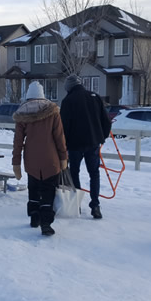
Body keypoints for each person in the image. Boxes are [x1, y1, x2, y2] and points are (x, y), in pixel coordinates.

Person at [12, 81, 68, 236]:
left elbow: (18, 142)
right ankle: (46, 223)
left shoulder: (22, 114)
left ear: (28, 96)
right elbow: (59, 137)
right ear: (43, 96)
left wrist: (16, 162)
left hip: (31, 160)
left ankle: (34, 217)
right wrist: (63, 157)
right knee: (49, 191)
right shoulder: (53, 112)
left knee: (34, 188)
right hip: (51, 159)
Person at [60, 74, 112, 219]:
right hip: (93, 142)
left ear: (68, 87)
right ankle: (95, 205)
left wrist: (63, 144)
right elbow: (106, 121)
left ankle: (76, 203)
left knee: (74, 172)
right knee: (94, 173)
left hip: (75, 144)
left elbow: (63, 126)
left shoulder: (68, 101)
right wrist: (102, 137)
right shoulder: (95, 97)